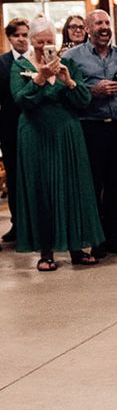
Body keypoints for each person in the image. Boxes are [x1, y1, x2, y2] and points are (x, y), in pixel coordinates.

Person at [11, 17, 103, 270]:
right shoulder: (20, 66)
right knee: (41, 190)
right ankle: (46, 252)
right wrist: (39, 78)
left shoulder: (69, 64)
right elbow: (21, 100)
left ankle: (77, 248)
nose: (44, 47)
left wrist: (68, 81)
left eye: (49, 42)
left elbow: (84, 99)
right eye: (39, 42)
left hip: (66, 133)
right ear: (31, 42)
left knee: (72, 188)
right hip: (35, 134)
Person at [66, 9, 117, 259]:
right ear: (87, 28)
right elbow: (68, 91)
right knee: (92, 185)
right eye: (98, 23)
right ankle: (94, 237)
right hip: (90, 127)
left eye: (107, 22)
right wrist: (93, 91)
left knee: (116, 184)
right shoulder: (73, 57)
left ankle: (111, 236)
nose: (104, 27)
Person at [0, 18, 29, 244]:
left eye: (25, 35)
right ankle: (18, 223)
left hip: (34, 125)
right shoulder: (2, 63)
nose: (21, 39)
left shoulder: (37, 61)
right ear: (10, 38)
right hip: (9, 128)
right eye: (17, 35)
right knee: (14, 176)